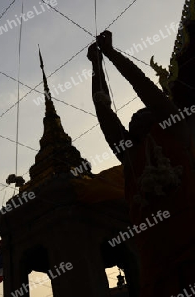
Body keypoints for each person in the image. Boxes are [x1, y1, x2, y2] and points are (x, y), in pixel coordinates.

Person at [88, 31, 195, 297]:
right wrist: (95, 65)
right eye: (133, 117)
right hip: (157, 269)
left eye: (145, 111)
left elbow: (144, 87)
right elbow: (103, 110)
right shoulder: (129, 155)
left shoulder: (175, 129)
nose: (137, 114)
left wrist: (111, 54)